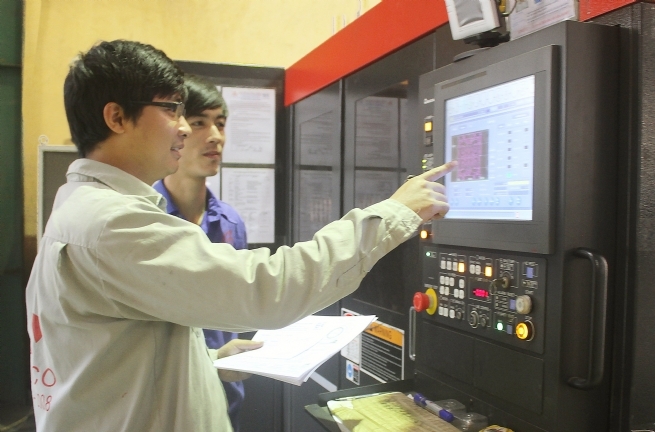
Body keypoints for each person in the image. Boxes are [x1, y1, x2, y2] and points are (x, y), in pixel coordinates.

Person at [26, 39, 456, 432]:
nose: (184, 128)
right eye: (172, 110)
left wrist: (209, 360)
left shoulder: (85, 210)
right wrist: (395, 213)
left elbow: (121, 357)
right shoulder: (110, 223)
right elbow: (267, 288)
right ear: (117, 117)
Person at [152, 75, 248, 431]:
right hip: (166, 405)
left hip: (225, 396)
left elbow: (238, 307)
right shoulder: (145, 219)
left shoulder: (230, 223)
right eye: (199, 123)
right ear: (176, 128)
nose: (215, 136)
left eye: (220, 124)